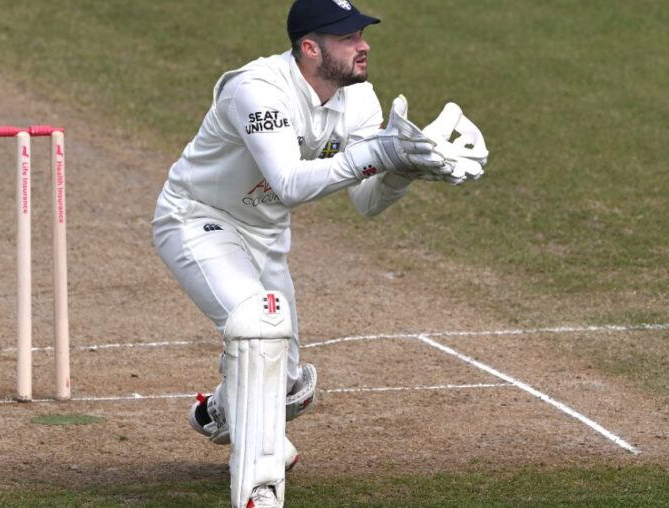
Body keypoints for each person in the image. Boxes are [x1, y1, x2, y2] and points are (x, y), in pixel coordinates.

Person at [152, 1, 485, 506]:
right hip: (197, 219)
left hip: (264, 238)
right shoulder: (256, 90)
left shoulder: (361, 100)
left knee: (286, 387)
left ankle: (223, 409)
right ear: (311, 48)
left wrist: (403, 171)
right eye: (348, 37)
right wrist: (376, 154)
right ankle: (259, 489)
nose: (364, 44)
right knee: (258, 326)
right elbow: (287, 183)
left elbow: (367, 202)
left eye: (361, 34)